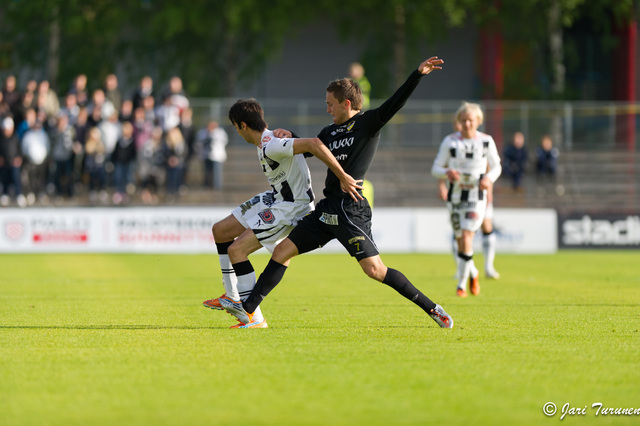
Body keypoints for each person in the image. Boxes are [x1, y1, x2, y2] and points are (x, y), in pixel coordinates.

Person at [220, 56, 453, 329]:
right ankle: (248, 311)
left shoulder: (368, 123)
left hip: (350, 209)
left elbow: (395, 102)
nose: (327, 108)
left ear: (347, 103)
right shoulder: (328, 132)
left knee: (375, 271)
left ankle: (433, 309)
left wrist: (417, 74)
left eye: (331, 104)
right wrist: (290, 134)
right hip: (326, 209)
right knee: (282, 251)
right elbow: (307, 151)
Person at [204, 98, 362, 329]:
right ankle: (231, 296)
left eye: (236, 128)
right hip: (275, 197)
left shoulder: (272, 144)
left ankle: (253, 318)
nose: (237, 133)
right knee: (220, 230)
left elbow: (315, 144)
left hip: (291, 206)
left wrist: (342, 176)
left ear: (243, 125)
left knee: (237, 250)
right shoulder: (266, 143)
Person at [431, 102, 502, 297]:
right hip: (455, 195)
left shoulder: (486, 141)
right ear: (458, 122)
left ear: (478, 121)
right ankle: (473, 272)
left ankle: (461, 284)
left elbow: (497, 166)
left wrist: (488, 178)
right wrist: (447, 172)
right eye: (463, 121)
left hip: (476, 195)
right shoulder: (450, 142)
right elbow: (435, 168)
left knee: (468, 234)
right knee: (461, 240)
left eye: (471, 120)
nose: (467, 124)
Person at [197, 119, 228, 190]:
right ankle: (207, 184)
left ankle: (217, 186)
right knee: (207, 171)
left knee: (217, 172)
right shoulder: (203, 133)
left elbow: (223, 141)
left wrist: (212, 135)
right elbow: (200, 142)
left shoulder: (220, 132)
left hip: (217, 156)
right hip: (206, 155)